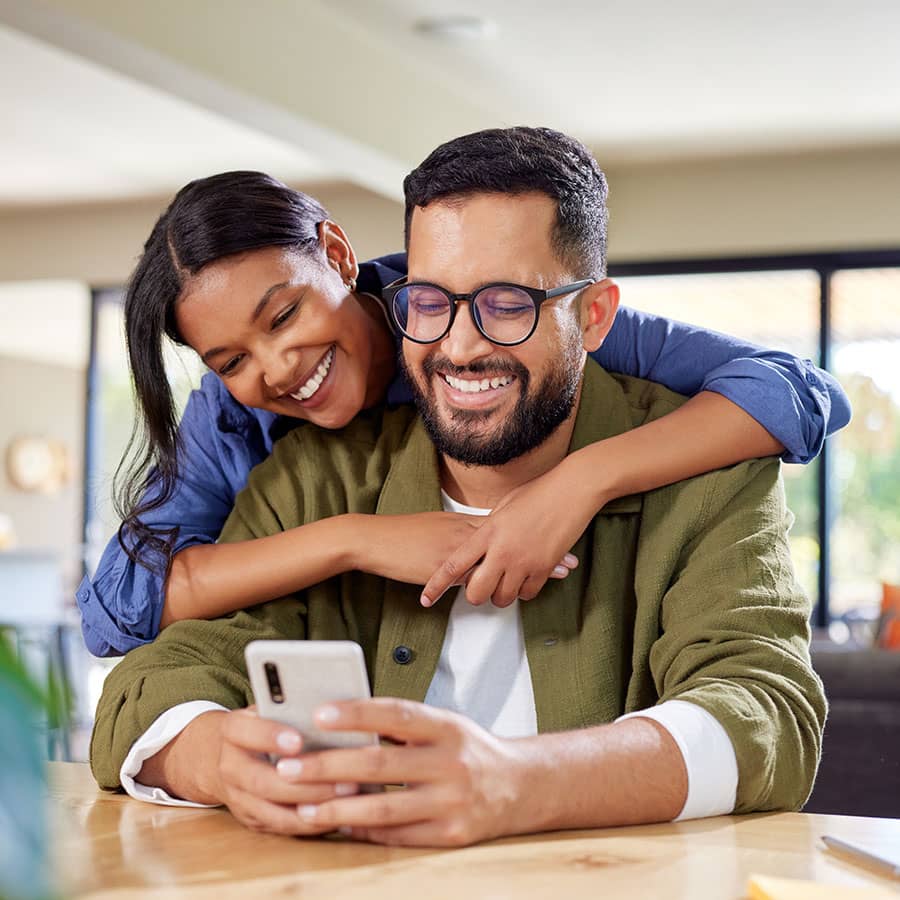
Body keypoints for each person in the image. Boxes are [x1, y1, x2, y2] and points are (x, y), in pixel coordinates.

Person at [90, 126, 827, 848]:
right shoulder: (304, 470)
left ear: (593, 315)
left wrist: (516, 781)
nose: (462, 345)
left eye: (508, 304)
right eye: (432, 302)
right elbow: (147, 669)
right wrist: (218, 755)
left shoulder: (706, 462)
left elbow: (766, 711)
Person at [77, 172, 849, 658]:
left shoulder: (505, 316)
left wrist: (579, 482)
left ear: (337, 256)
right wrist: (355, 541)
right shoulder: (230, 422)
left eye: (282, 317)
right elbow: (117, 606)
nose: (275, 370)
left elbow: (797, 392)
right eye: (231, 360)